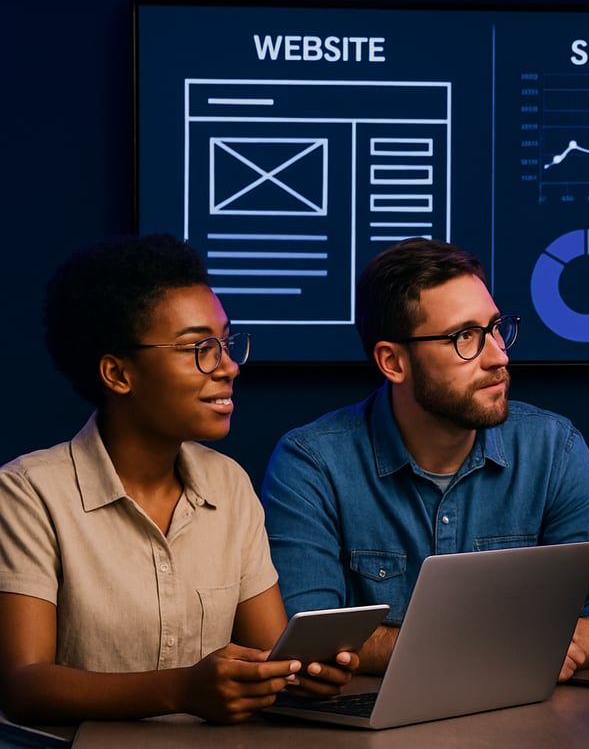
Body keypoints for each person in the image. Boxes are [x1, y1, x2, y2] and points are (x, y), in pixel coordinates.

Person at [0, 234, 356, 725]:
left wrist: (298, 674)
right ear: (118, 374)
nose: (228, 366)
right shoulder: (28, 493)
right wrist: (181, 689)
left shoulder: (229, 484)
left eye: (226, 343)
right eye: (198, 348)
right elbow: (24, 684)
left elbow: (268, 654)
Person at [261, 238, 589, 681]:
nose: (499, 356)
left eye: (496, 328)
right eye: (465, 337)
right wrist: (490, 647)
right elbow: (309, 637)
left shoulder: (553, 447)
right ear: (393, 362)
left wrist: (563, 643)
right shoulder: (312, 463)